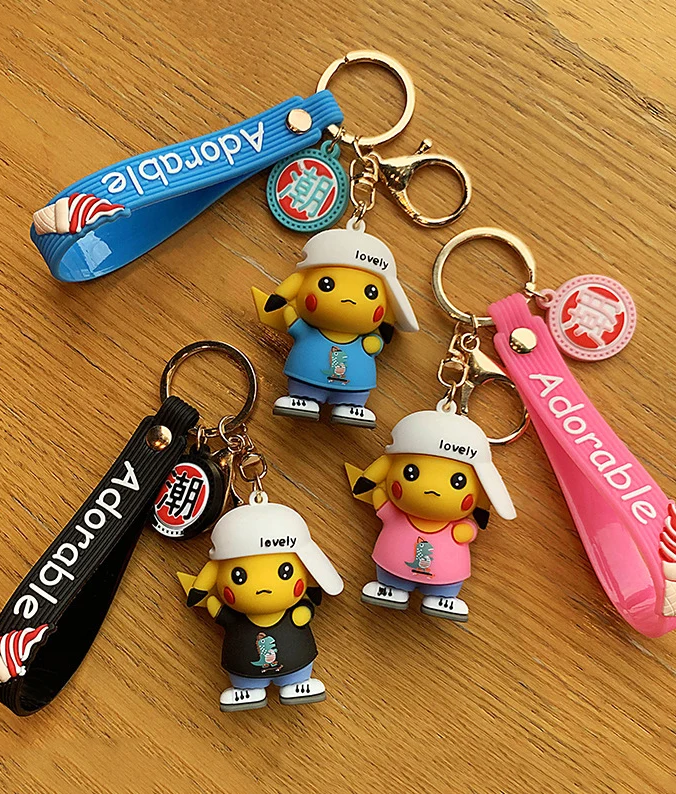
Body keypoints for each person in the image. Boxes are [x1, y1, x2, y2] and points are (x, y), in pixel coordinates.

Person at [347, 403, 516, 621]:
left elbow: (468, 530)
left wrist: (467, 530)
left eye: (457, 482)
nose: (433, 489)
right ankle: (391, 587)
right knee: (391, 576)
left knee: (445, 583)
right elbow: (384, 508)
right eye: (411, 473)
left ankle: (442, 597)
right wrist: (379, 495)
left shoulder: (456, 520)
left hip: (445, 575)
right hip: (394, 567)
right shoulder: (397, 514)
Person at [178, 496, 343, 712]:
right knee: (244, 676)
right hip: (245, 665)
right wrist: (215, 607)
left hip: (295, 660)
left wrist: (304, 610)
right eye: (239, 576)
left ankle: (297, 682)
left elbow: (305, 610)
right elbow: (226, 618)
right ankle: (248, 689)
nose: (264, 586)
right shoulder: (236, 616)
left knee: (297, 671)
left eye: (285, 572)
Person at [252, 219, 418, 428]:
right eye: (326, 284)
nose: (349, 299)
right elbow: (295, 326)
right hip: (306, 379)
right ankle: (303, 399)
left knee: (355, 391)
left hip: (353, 385)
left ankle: (351, 406)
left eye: (370, 293)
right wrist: (289, 312)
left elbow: (374, 345)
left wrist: (374, 343)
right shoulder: (307, 329)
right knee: (304, 387)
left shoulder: (366, 336)